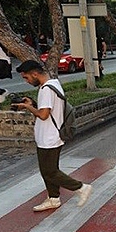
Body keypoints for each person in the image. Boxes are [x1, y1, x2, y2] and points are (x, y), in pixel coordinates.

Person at [14, 60, 92, 212]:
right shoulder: (53, 84)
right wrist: (33, 103)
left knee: (50, 172)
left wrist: (28, 107)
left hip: (49, 138)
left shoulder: (46, 89)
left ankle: (81, 188)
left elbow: (43, 115)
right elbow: (50, 109)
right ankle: (53, 198)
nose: (26, 81)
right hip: (49, 136)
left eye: (26, 78)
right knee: (48, 170)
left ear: (35, 74)